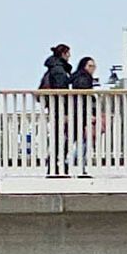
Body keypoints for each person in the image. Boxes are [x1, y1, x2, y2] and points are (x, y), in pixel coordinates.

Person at [40, 44, 74, 175]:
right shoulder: (59, 70)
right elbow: (61, 91)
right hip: (59, 108)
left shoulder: (52, 68)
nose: (70, 56)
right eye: (68, 53)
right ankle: (56, 163)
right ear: (64, 54)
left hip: (54, 107)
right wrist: (65, 111)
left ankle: (54, 163)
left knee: (58, 136)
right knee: (61, 137)